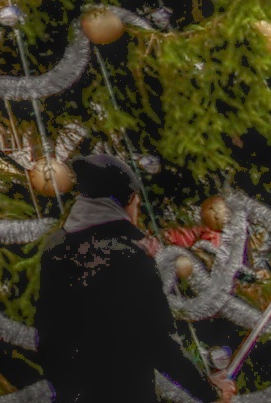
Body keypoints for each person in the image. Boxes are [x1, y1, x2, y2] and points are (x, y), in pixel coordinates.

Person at [35, 153, 233, 403]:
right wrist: (209, 393)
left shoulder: (56, 247)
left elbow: (47, 335)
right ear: (127, 202)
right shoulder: (128, 256)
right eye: (137, 205)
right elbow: (159, 343)